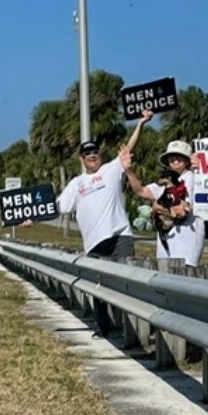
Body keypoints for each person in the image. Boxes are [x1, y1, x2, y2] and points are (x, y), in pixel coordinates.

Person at [56, 119, 144, 335]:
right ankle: (103, 326)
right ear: (81, 159)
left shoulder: (111, 170)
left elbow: (128, 148)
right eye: (87, 154)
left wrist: (141, 123)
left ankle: (130, 330)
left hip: (119, 236)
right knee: (98, 287)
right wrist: (31, 218)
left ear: (100, 155)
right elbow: (58, 207)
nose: (92, 156)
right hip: (94, 243)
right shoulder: (76, 183)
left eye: (95, 152)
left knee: (125, 284)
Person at [121, 118, 205, 268]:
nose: (174, 160)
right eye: (171, 158)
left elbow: (184, 211)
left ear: (187, 160)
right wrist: (128, 170)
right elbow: (141, 191)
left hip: (188, 247)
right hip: (166, 247)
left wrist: (159, 208)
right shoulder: (165, 181)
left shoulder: (196, 178)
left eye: (179, 157)